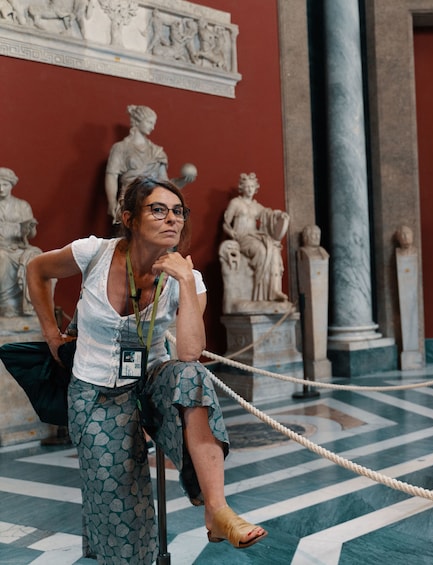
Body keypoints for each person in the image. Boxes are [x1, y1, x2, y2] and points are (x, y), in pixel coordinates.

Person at [26, 177, 267, 564]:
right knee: (119, 502)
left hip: (153, 381)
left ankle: (217, 510)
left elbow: (189, 353)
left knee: (194, 377)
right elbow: (36, 270)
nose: (172, 219)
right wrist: (52, 334)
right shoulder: (94, 253)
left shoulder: (187, 280)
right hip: (95, 391)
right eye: (158, 209)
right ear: (130, 218)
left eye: (178, 211)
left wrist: (186, 281)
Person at [222, 172, 290, 303]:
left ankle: (274, 291)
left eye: (252, 187)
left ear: (255, 188)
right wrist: (232, 234)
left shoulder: (256, 206)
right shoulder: (235, 203)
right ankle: (261, 296)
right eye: (247, 186)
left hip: (255, 236)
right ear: (242, 188)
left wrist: (280, 216)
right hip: (243, 238)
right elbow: (225, 224)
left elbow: (269, 215)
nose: (249, 189)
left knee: (274, 250)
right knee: (261, 251)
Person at [0, 167, 40, 317]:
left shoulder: (22, 206)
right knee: (2, 257)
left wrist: (28, 229)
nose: (1, 188)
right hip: (2, 249)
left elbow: (31, 235)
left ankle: (30, 305)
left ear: (11, 185)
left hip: (19, 247)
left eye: (5, 185)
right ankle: (6, 305)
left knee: (36, 259)